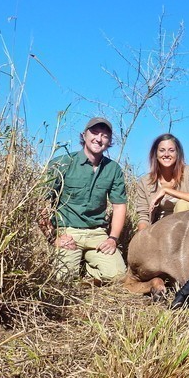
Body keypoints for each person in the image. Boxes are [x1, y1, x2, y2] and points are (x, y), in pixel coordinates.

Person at [39, 117, 127, 282]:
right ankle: (76, 264)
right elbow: (40, 205)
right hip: (68, 231)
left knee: (118, 276)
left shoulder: (113, 169)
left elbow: (119, 206)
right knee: (62, 279)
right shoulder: (62, 163)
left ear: (109, 142)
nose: (99, 139)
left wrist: (112, 238)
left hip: (97, 233)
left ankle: (87, 269)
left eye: (105, 135)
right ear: (84, 135)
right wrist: (53, 238)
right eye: (94, 133)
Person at [136, 133, 189, 231]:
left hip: (187, 231)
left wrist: (166, 190)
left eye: (171, 150)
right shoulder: (145, 181)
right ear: (155, 154)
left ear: (177, 154)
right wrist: (142, 237)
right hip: (158, 230)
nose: (166, 154)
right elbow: (143, 216)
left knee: (183, 204)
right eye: (162, 150)